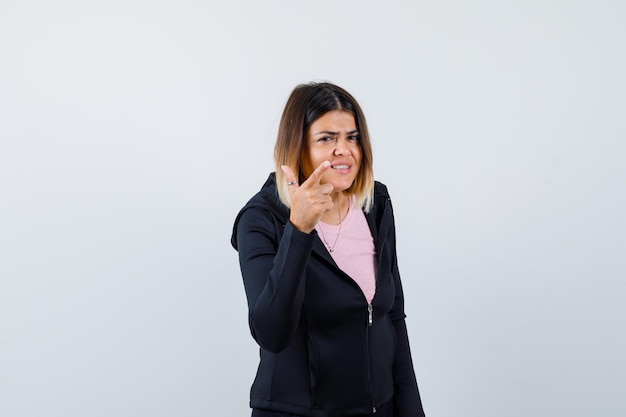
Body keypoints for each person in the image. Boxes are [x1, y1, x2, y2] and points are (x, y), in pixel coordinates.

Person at [231, 82, 426, 417]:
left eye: (352, 137)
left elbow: (392, 316)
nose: (344, 150)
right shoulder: (261, 219)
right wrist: (299, 230)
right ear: (296, 147)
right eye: (326, 138)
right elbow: (271, 333)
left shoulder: (375, 204)